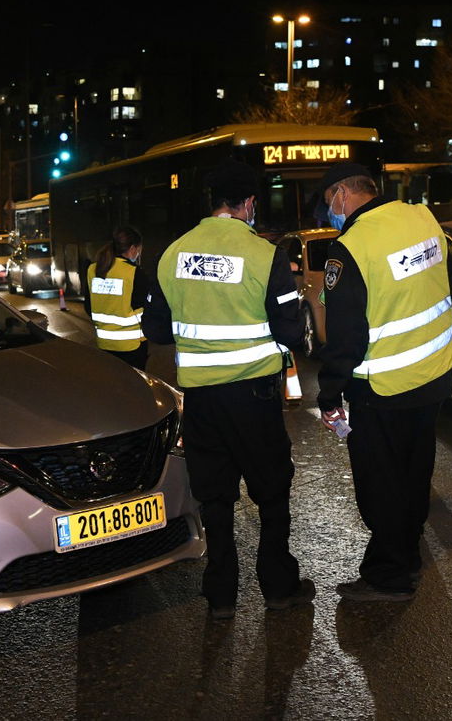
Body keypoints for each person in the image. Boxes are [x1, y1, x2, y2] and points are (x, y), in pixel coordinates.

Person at [142, 159, 313, 620]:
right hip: (254, 398)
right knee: (271, 492)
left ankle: (220, 593)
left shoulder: (172, 253)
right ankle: (278, 586)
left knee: (215, 497)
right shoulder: (264, 255)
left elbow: (155, 329)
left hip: (201, 399)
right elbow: (290, 331)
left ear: (212, 201)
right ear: (249, 203)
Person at [315, 160, 452, 602]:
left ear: (343, 194)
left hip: (384, 388)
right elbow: (451, 283)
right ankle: (408, 553)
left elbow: (346, 335)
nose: (330, 213)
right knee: (415, 472)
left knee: (381, 484)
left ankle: (388, 576)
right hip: (434, 375)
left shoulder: (351, 247)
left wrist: (329, 393)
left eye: (329, 202)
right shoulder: (422, 217)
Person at [84, 225, 148, 369]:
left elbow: (88, 307)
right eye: (139, 250)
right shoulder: (134, 272)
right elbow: (147, 307)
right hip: (132, 346)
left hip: (104, 344)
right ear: (132, 248)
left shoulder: (93, 269)